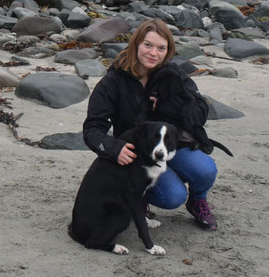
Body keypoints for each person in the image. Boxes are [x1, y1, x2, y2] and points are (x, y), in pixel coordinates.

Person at [82, 18, 219, 230]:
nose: (154, 53)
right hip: (139, 154)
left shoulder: (173, 74)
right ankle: (141, 196)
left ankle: (198, 201)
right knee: (173, 196)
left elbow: (201, 113)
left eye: (161, 48)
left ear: (168, 50)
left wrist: (171, 102)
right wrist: (113, 148)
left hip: (173, 145)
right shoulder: (114, 81)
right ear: (136, 44)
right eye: (148, 45)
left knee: (205, 170)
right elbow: (93, 128)